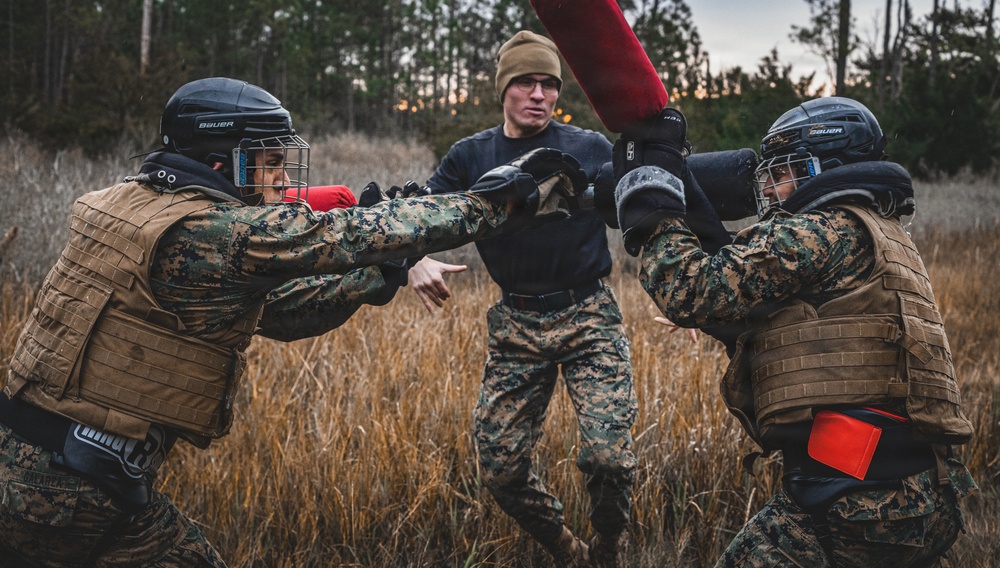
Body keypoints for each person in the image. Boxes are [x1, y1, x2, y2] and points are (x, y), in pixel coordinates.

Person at [0, 76, 586, 567]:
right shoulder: (211, 232)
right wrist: (501, 202)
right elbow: (342, 235)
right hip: (74, 487)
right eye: (270, 164)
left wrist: (379, 275)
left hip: (32, 468)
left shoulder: (123, 202)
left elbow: (278, 311)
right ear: (220, 163)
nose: (283, 180)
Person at [599, 97, 978, 567]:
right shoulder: (887, 238)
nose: (775, 189)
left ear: (828, 167)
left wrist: (650, 194)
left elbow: (687, 287)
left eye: (788, 172)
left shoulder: (820, 229)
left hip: (859, 501)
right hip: (924, 496)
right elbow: (823, 326)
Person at [407, 30, 635, 567]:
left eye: (549, 85)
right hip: (517, 325)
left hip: (588, 316)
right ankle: (567, 550)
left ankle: (606, 547)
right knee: (501, 470)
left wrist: (683, 299)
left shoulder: (589, 149)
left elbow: (645, 215)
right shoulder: (472, 156)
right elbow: (414, 217)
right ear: (504, 89)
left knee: (609, 459)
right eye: (526, 83)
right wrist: (413, 259)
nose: (539, 94)